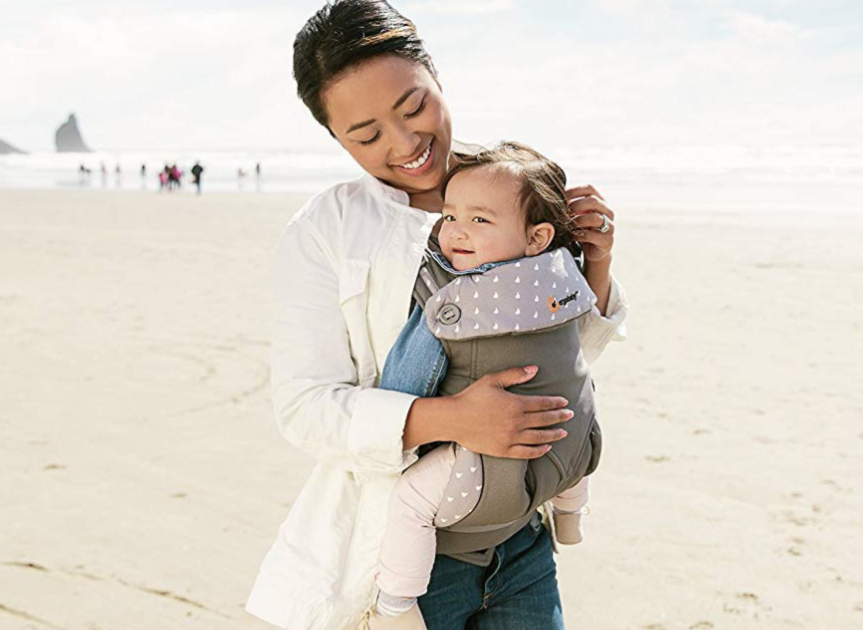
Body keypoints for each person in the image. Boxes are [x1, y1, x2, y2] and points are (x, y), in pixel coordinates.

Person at [245, 3, 626, 630]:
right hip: (404, 555)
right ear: (336, 138)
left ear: (436, 77)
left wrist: (597, 262)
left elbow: (565, 355)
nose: (403, 144)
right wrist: (452, 420)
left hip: (521, 537)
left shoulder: (512, 186)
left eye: (413, 107)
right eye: (366, 135)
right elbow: (304, 406)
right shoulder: (326, 230)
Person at [370, 142, 601, 630]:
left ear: (537, 237)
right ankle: (571, 519)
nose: (456, 231)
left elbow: (406, 377)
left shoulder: (456, 295)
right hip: (569, 452)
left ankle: (394, 603)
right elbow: (584, 337)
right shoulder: (562, 276)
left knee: (411, 500)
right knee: (577, 413)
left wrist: (400, 418)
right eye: (449, 216)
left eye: (479, 220)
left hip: (482, 479)